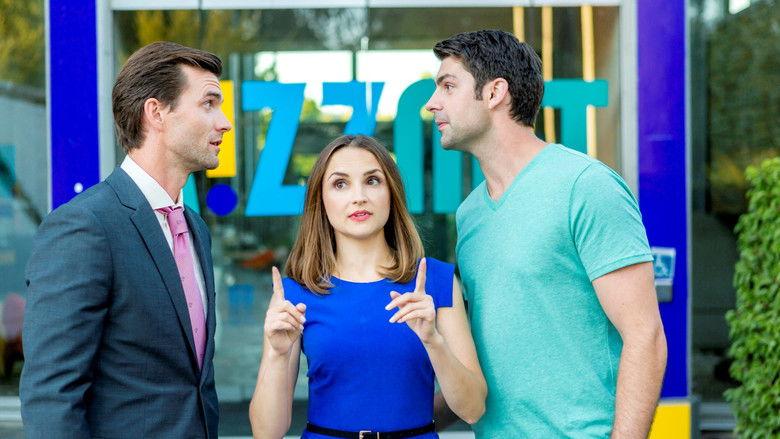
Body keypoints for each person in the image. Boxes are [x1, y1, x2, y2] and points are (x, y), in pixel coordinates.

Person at [424, 30, 668, 438]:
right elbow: (487, 364)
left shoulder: (585, 186)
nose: (433, 103)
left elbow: (646, 337)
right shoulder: (470, 215)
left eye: (448, 86)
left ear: (495, 92)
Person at [21, 41, 232, 437]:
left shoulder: (195, 228)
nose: (224, 122)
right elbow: (52, 397)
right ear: (156, 113)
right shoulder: (84, 226)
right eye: (208, 104)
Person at [248, 135, 486, 438]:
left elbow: (473, 409)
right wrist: (277, 355)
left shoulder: (436, 281)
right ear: (320, 200)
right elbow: (266, 433)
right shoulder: (294, 293)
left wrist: (433, 341)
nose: (358, 196)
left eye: (372, 181)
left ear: (391, 193)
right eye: (340, 184)